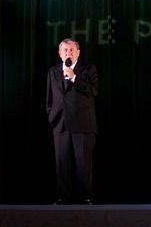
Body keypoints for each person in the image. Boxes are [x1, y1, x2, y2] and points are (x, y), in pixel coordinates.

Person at [46, 38, 98, 204]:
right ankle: (63, 197)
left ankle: (85, 197)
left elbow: (93, 91)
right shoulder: (53, 72)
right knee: (62, 162)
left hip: (82, 124)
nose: (68, 53)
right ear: (60, 54)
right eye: (65, 50)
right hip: (60, 124)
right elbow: (49, 99)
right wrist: (52, 116)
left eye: (71, 50)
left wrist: (74, 77)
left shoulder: (88, 70)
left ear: (78, 52)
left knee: (83, 163)